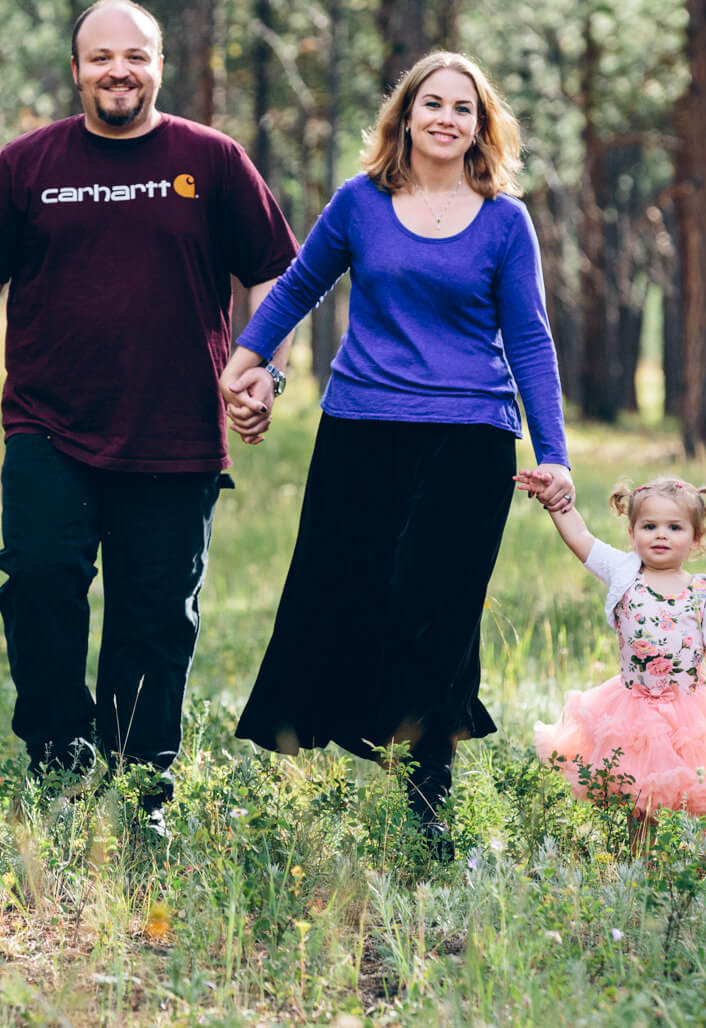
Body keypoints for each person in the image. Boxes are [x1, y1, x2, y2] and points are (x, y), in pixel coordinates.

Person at [0, 0, 298, 813]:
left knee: (156, 617)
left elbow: (275, 275)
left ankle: (142, 783)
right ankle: (56, 758)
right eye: (101, 56)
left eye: (136, 55)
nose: (119, 70)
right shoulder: (28, 164)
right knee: (40, 580)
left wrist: (266, 369)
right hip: (48, 422)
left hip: (177, 429)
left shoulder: (213, 160)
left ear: (160, 64)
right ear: (76, 69)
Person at [220, 50, 575, 849]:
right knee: (341, 591)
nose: (447, 118)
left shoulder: (504, 220)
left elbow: (530, 339)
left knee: (439, 612)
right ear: (405, 116)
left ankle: (430, 795)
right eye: (433, 104)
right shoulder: (360, 204)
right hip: (361, 428)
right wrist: (244, 366)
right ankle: (362, 738)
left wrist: (552, 451)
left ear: (481, 128)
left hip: (470, 437)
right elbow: (300, 286)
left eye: (464, 109)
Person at [512, 472, 706, 848]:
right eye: (649, 526)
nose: (661, 535)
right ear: (632, 533)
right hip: (635, 706)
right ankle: (642, 858)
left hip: (693, 705)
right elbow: (581, 538)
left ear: (696, 538)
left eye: (674, 527)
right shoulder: (625, 573)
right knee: (639, 788)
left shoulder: (705, 590)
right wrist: (555, 503)